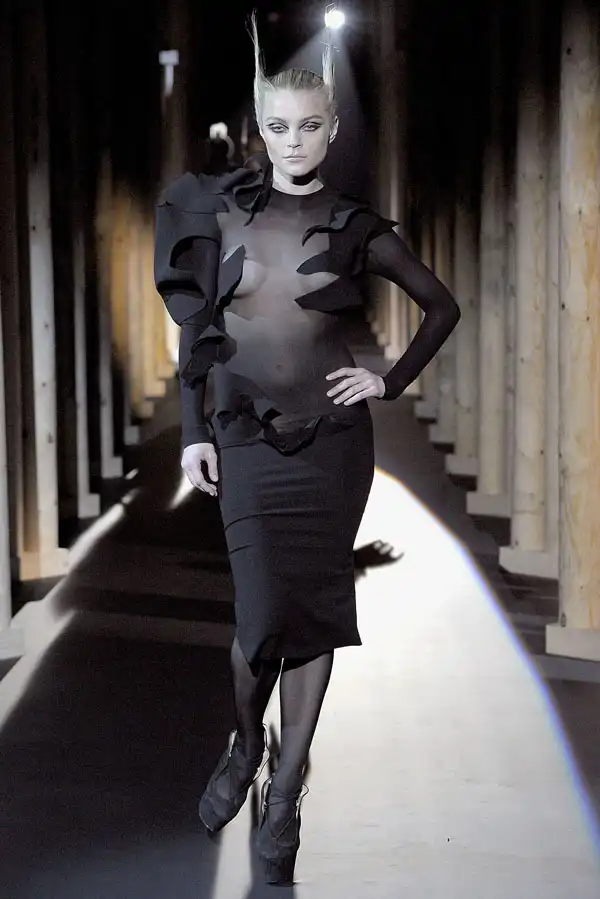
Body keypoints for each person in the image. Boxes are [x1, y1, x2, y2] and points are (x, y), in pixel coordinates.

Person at [154, 11, 460, 885]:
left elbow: (441, 305)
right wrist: (193, 434)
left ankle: (286, 792)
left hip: (332, 445)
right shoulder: (224, 212)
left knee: (315, 615)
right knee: (258, 624)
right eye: (279, 126)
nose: (294, 141)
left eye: (311, 125)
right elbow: (198, 331)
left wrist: (388, 381)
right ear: (261, 128)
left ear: (331, 128)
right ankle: (246, 743)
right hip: (245, 441)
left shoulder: (356, 223)